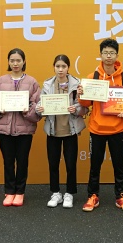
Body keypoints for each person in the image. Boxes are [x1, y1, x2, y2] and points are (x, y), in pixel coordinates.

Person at [77, 38, 123, 212]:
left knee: (119, 164)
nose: (108, 56)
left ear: (117, 55)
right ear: (100, 55)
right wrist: (81, 94)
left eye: (112, 53)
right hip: (97, 128)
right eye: (105, 53)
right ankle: (93, 195)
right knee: (95, 165)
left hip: (118, 128)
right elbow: (86, 104)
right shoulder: (92, 77)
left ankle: (121, 196)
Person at [0, 48, 41, 207]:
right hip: (4, 129)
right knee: (8, 161)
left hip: (25, 130)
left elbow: (38, 105)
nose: (15, 63)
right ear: (8, 62)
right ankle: (9, 192)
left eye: (18, 60)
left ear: (24, 62)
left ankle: (20, 192)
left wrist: (27, 111)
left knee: (22, 161)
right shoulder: (0, 81)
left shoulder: (32, 82)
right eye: (12, 60)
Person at [36, 54, 88, 209]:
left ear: (68, 68)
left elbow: (84, 106)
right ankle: (55, 192)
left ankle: (69, 193)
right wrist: (39, 108)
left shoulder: (77, 84)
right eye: (57, 66)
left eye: (63, 66)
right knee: (53, 163)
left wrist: (76, 108)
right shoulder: (48, 84)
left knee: (70, 164)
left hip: (70, 130)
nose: (60, 69)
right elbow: (40, 103)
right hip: (53, 130)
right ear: (54, 67)